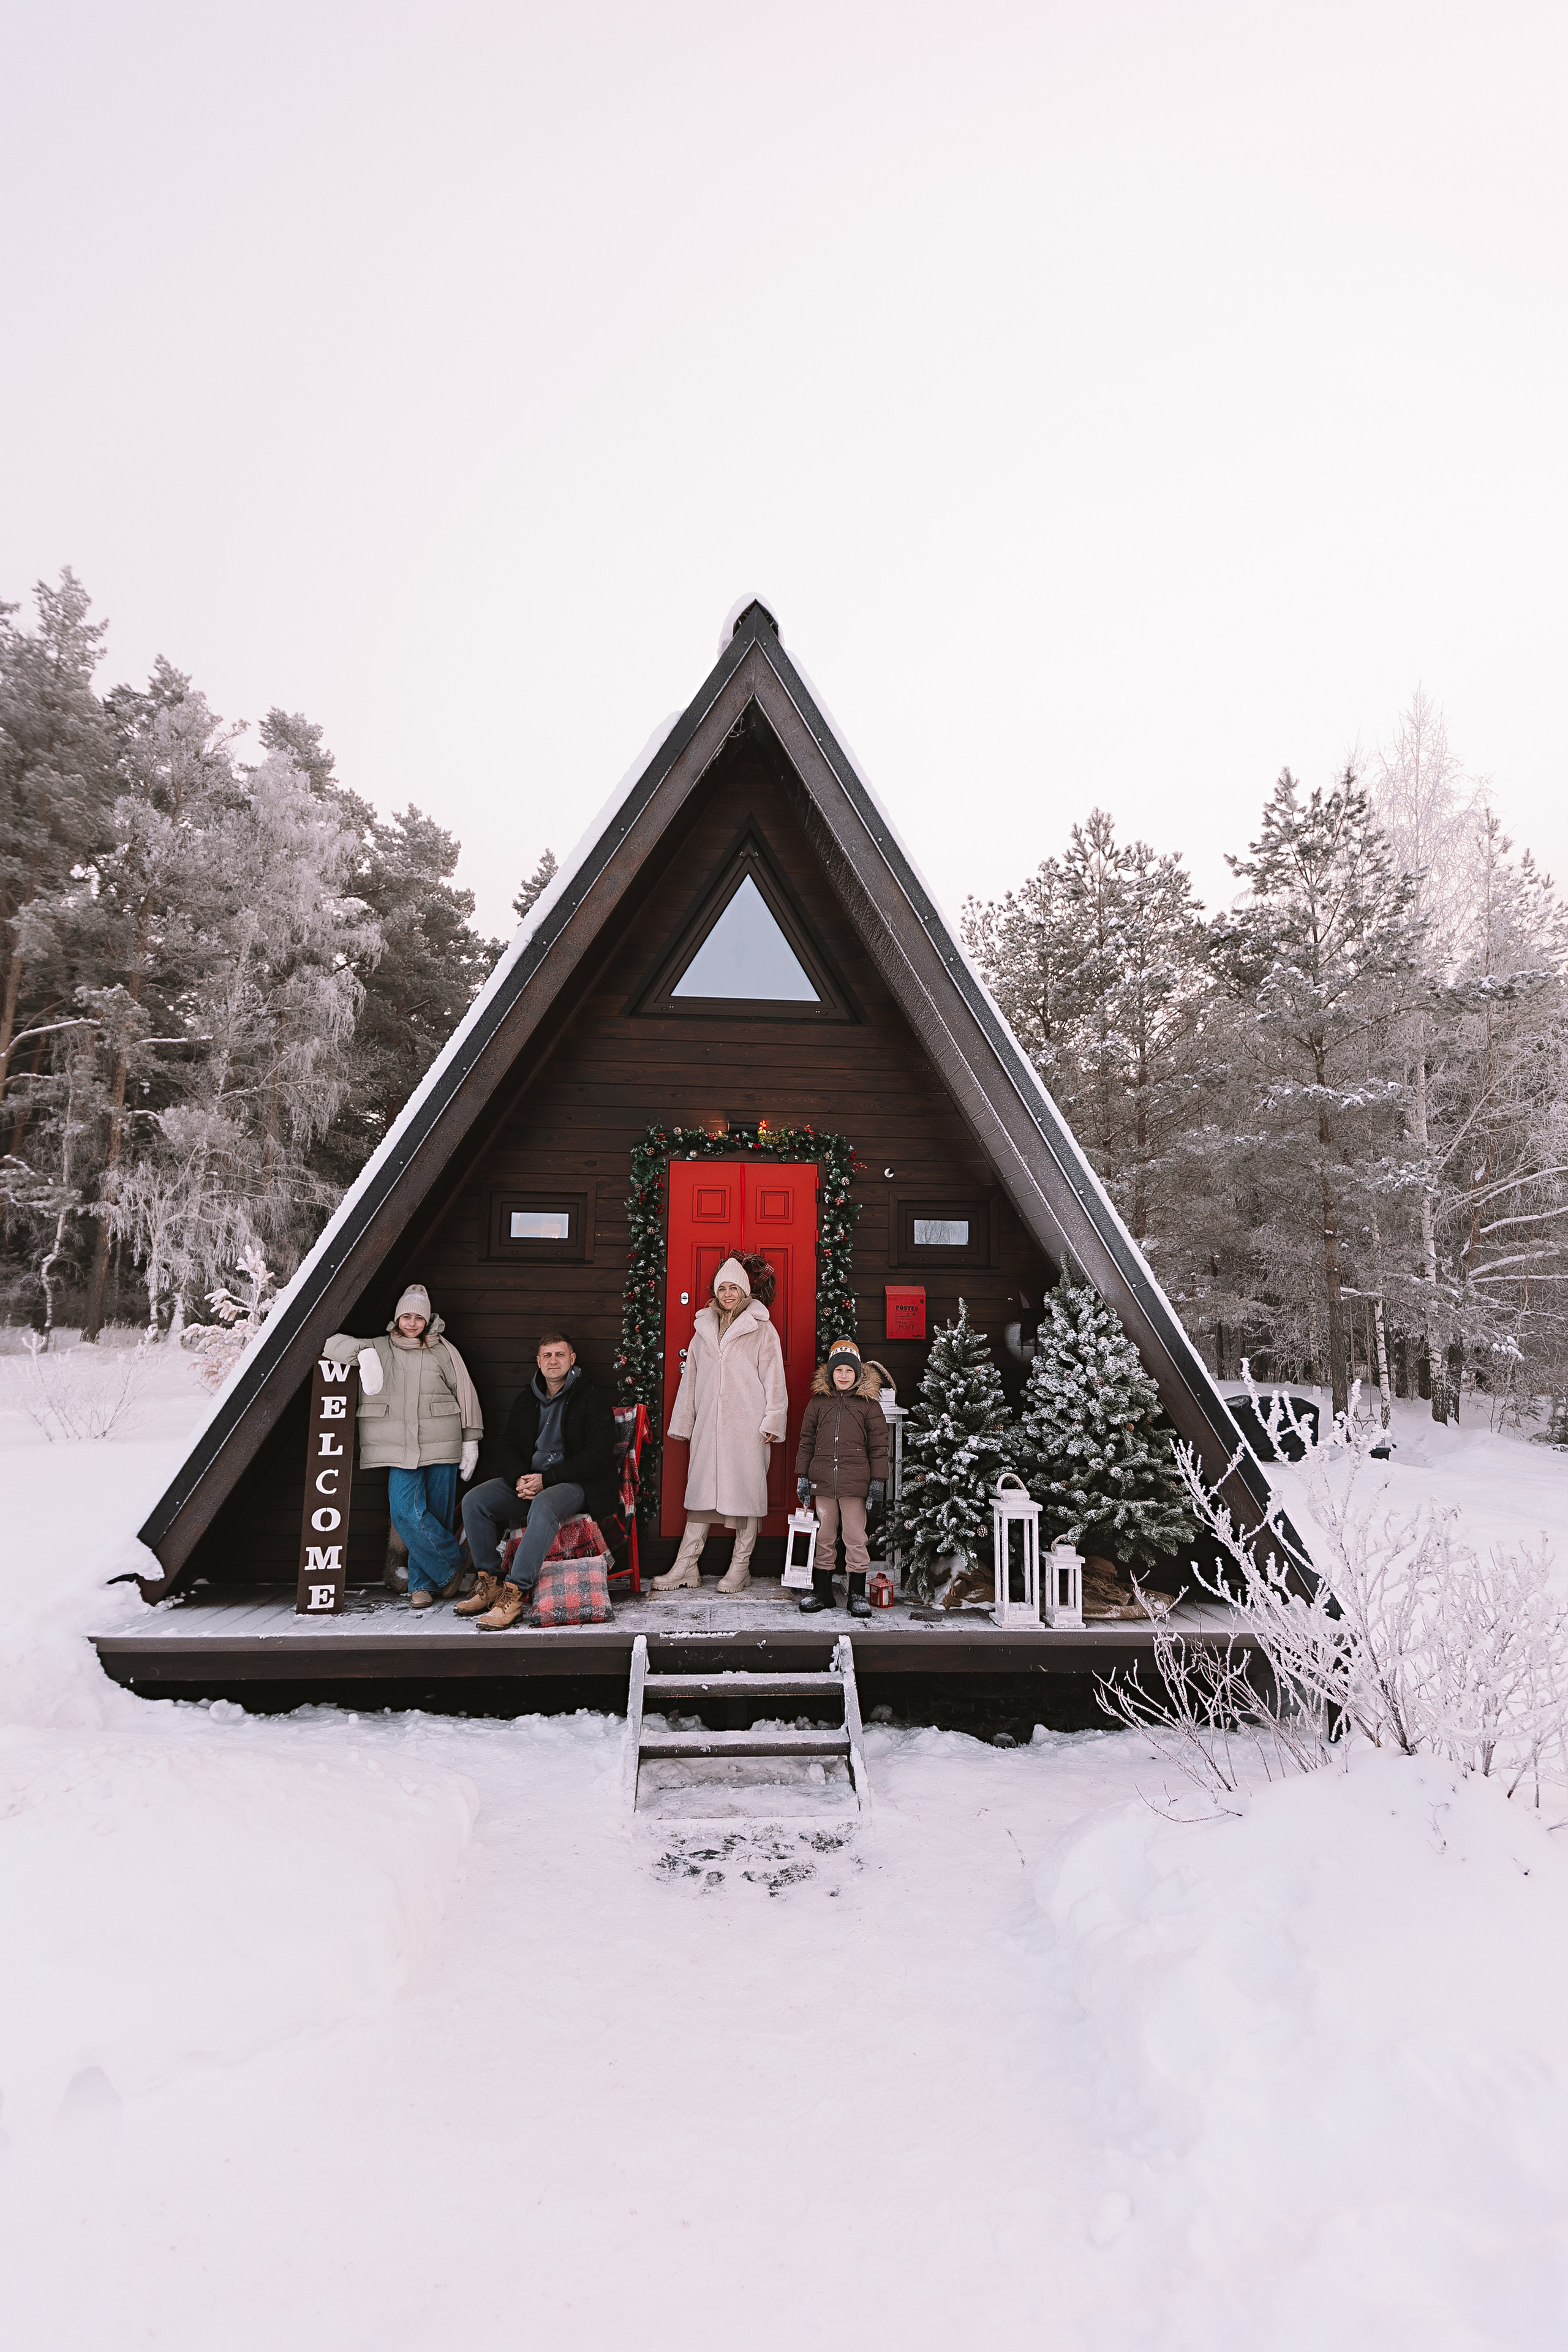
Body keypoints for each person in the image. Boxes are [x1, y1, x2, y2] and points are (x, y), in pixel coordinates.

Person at [323, 1284, 482, 1610]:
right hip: (399, 1447)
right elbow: (330, 1344)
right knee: (406, 1513)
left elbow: (465, 1394)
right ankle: (456, 1562)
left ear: (428, 1320)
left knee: (436, 1514)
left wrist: (471, 1439)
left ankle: (421, 1586)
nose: (412, 1323)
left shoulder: (444, 1351)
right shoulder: (378, 1347)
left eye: (418, 1318)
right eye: (406, 1316)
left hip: (443, 1442)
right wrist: (361, 1353)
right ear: (397, 1318)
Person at [458, 1329, 617, 1630]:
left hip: (576, 1484)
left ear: (572, 1359)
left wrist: (548, 1479)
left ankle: (514, 1594)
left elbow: (597, 1456)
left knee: (544, 1505)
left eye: (560, 1355)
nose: (553, 1361)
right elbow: (510, 1448)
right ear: (538, 1361)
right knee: (475, 1501)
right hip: (532, 1479)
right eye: (547, 1355)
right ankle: (489, 1583)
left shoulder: (591, 1399)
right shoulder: (525, 1400)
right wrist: (520, 1479)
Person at [656, 1254, 787, 1594]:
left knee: (746, 1493)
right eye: (722, 1288)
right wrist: (684, 1422)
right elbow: (691, 1380)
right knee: (700, 1492)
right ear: (716, 1291)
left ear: (744, 1291)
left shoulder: (762, 1328)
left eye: (734, 1288)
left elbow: (775, 1377)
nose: (728, 1293)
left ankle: (740, 1567)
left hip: (748, 1424)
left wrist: (774, 1417)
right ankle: (686, 1565)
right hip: (709, 1425)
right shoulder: (702, 1330)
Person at [794, 1338, 888, 1618]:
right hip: (823, 1482)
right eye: (838, 1371)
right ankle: (822, 1592)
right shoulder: (818, 1403)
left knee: (854, 1536)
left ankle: (857, 1594)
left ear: (857, 1373)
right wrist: (803, 1476)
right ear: (831, 1374)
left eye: (849, 1371)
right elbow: (806, 1440)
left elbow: (880, 1446)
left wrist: (877, 1483)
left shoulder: (868, 1406)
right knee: (824, 1535)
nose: (844, 1376)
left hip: (854, 1484)